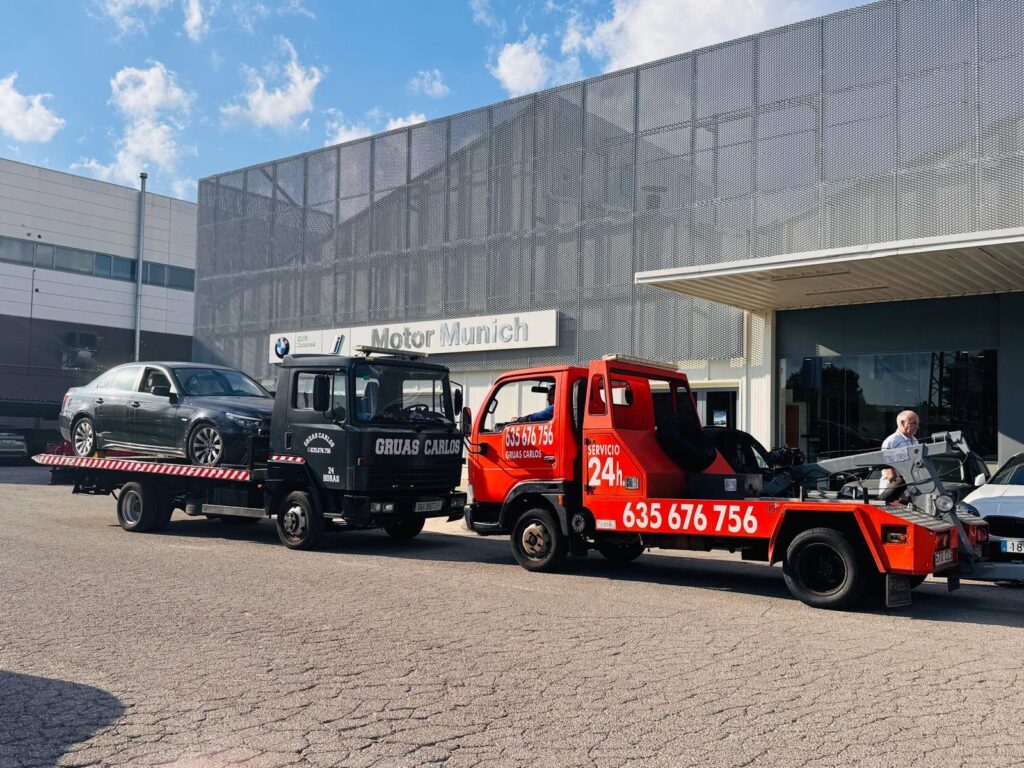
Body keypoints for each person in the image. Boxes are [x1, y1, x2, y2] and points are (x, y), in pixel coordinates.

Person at [879, 410, 920, 501]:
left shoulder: (914, 440)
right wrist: (901, 496)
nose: (917, 426)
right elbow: (890, 473)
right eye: (914, 423)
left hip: (909, 492)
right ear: (902, 423)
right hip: (892, 494)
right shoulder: (892, 441)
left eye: (917, 424)